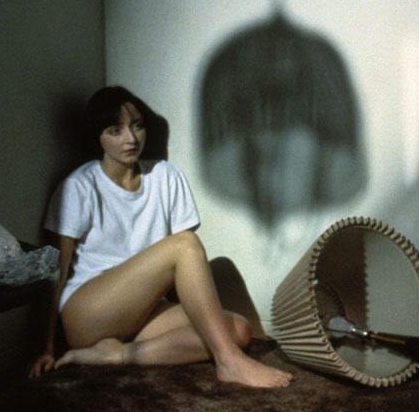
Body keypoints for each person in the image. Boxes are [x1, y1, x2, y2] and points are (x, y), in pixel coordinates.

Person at [29, 86, 292, 388]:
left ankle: (119, 354)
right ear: (97, 137)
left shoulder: (166, 177)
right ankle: (228, 362)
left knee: (237, 329)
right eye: (115, 130)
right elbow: (55, 272)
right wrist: (45, 347)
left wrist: (194, 318)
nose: (131, 139)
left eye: (137, 126)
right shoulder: (78, 186)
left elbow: (183, 273)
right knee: (185, 245)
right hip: (88, 314)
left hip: (142, 309)